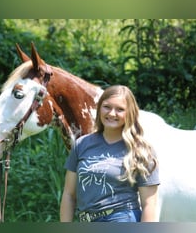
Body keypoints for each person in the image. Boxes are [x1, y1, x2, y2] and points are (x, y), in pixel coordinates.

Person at [60, 85, 160, 222]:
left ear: (129, 113)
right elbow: (69, 195)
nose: (112, 113)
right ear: (99, 108)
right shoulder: (82, 144)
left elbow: (149, 204)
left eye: (120, 109)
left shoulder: (140, 150)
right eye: (107, 107)